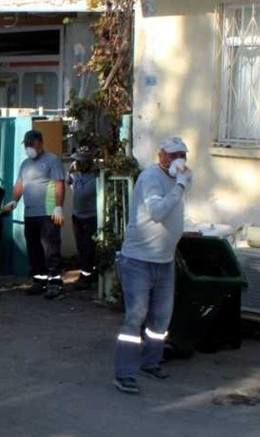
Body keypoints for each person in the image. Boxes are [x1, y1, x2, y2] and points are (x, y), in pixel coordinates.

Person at [113, 136, 192, 394]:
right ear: (161, 156)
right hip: (138, 260)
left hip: (164, 260)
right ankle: (124, 373)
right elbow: (157, 211)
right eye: (172, 155)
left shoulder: (176, 179)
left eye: (181, 155)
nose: (177, 160)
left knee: (161, 317)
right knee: (136, 316)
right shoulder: (150, 178)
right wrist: (180, 187)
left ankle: (150, 362)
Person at [2, 129, 65, 298]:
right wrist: (14, 200)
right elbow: (20, 185)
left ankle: (55, 282)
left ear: (40, 143)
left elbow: (58, 184)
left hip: (48, 213)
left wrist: (58, 206)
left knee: (50, 249)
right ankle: (39, 280)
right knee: (34, 248)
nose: (28, 147)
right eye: (26, 144)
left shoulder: (52, 161)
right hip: (30, 213)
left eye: (31, 144)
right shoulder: (25, 164)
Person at [67, 148, 98, 289]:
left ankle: (87, 278)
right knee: (80, 247)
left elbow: (83, 193)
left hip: (90, 217)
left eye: (79, 162)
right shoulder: (76, 175)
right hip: (77, 215)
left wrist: (74, 177)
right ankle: (85, 274)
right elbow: (68, 181)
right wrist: (70, 172)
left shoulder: (94, 177)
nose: (76, 164)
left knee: (88, 247)